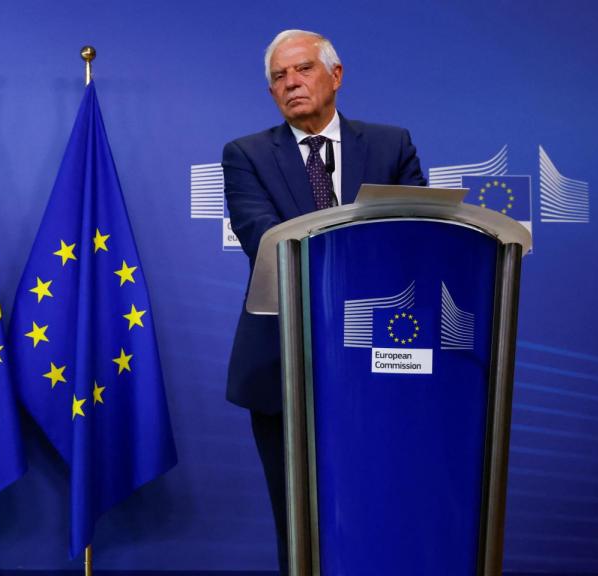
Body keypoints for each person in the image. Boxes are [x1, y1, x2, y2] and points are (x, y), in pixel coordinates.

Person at [222, 29, 426, 574]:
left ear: (335, 75)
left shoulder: (390, 145)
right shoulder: (246, 155)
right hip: (282, 360)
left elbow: (416, 238)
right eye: (278, 77)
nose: (290, 83)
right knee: (299, 518)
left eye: (302, 69)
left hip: (378, 361)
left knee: (377, 506)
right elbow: (264, 236)